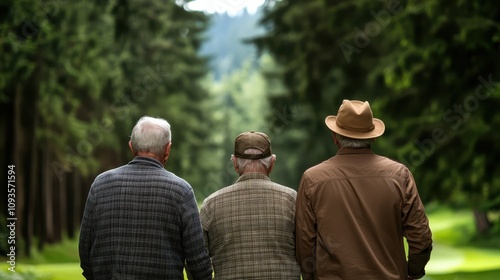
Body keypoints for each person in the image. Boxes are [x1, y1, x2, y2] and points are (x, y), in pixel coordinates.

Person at [295, 100, 433, 280]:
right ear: (373, 137)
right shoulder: (400, 175)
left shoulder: (312, 179)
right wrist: (413, 271)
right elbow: (421, 237)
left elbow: (304, 244)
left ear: (335, 137)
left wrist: (309, 276)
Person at [79, 116, 212, 280]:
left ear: (131, 147)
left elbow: (85, 252)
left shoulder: (100, 185)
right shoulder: (181, 191)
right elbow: (197, 260)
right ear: (167, 149)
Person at [200, 131, 301, 279]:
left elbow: (197, 259)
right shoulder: (292, 199)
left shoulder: (211, 204)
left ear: (234, 163)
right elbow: (308, 251)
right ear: (272, 163)